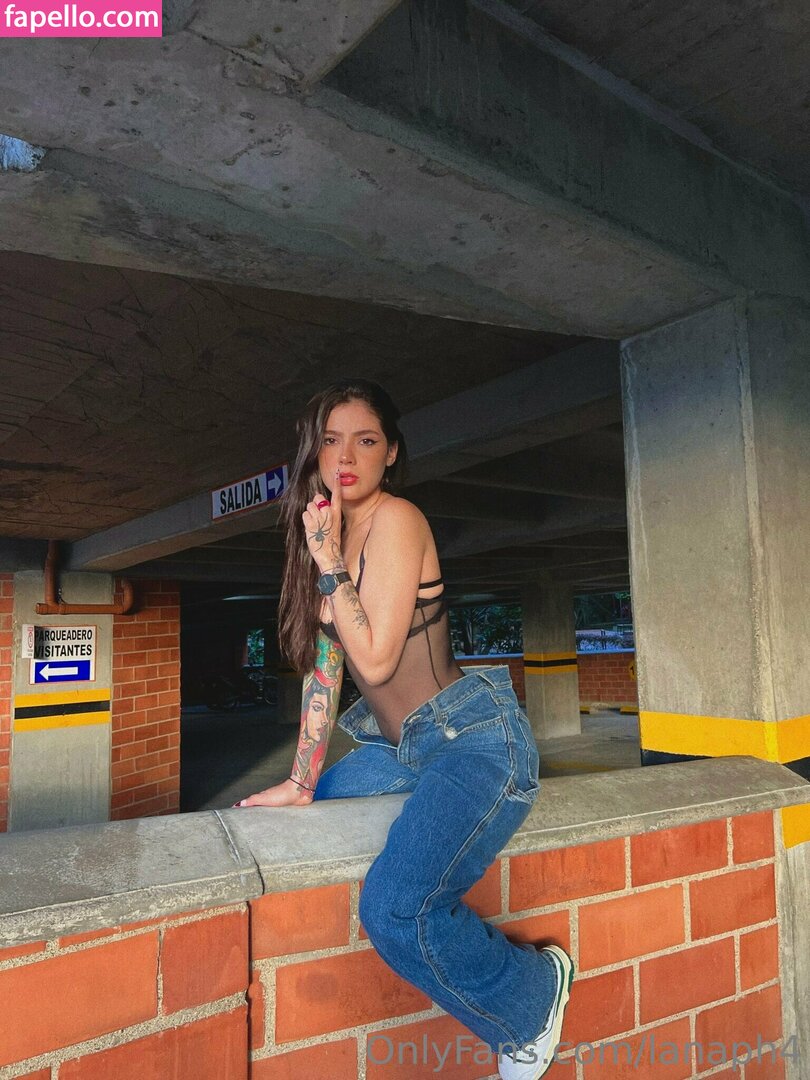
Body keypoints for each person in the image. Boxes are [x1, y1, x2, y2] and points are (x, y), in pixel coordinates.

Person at [234, 379, 573, 1079]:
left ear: (390, 452)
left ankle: (532, 994)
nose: (345, 457)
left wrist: (329, 564)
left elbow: (378, 658)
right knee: (315, 813)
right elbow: (327, 666)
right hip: (404, 747)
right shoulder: (329, 534)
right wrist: (300, 780)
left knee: (395, 907)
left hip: (475, 742)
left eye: (365, 441)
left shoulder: (397, 521)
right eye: (331, 441)